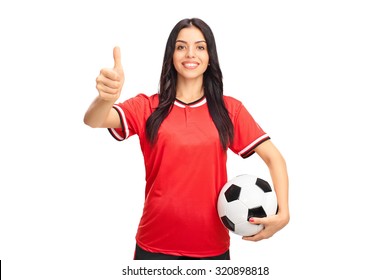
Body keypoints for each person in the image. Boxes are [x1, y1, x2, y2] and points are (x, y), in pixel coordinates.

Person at [84, 18, 289, 260]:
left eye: (200, 47)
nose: (190, 53)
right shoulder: (147, 107)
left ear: (210, 55)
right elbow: (94, 120)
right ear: (171, 54)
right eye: (181, 47)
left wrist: (283, 212)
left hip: (211, 248)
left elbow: (273, 157)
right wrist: (106, 97)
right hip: (154, 244)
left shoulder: (229, 110)